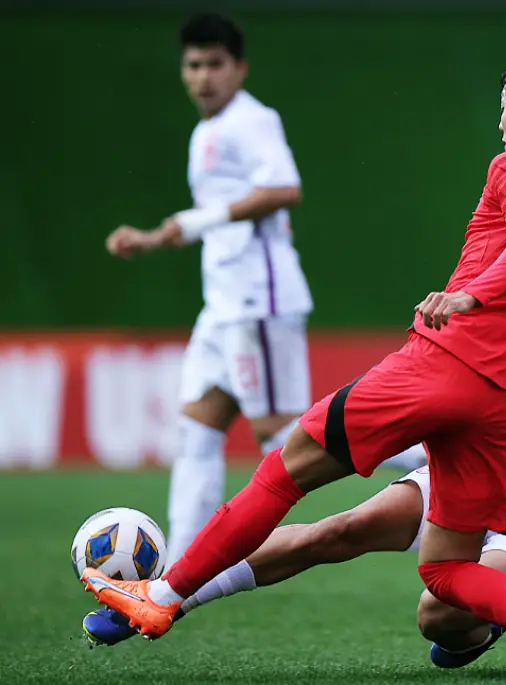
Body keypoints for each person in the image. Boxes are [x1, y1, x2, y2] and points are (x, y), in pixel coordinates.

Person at [84, 46, 506, 681]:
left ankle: (160, 598)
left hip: (443, 360)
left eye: (504, 110)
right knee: (446, 571)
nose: (500, 124)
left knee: (282, 474)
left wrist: (475, 293)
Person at [83, 221, 506, 675]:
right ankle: (165, 595)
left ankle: (474, 634)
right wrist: (468, 299)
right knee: (341, 528)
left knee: (439, 616)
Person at [104, 13, 313, 565]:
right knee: (198, 422)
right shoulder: (206, 133)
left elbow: (284, 188)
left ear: (238, 68)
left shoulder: (252, 120)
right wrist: (153, 238)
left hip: (257, 300)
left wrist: (192, 223)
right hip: (221, 305)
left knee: (285, 434)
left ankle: (420, 450)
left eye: (215, 64)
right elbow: (213, 215)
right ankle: (178, 565)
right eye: (193, 65)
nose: (204, 77)